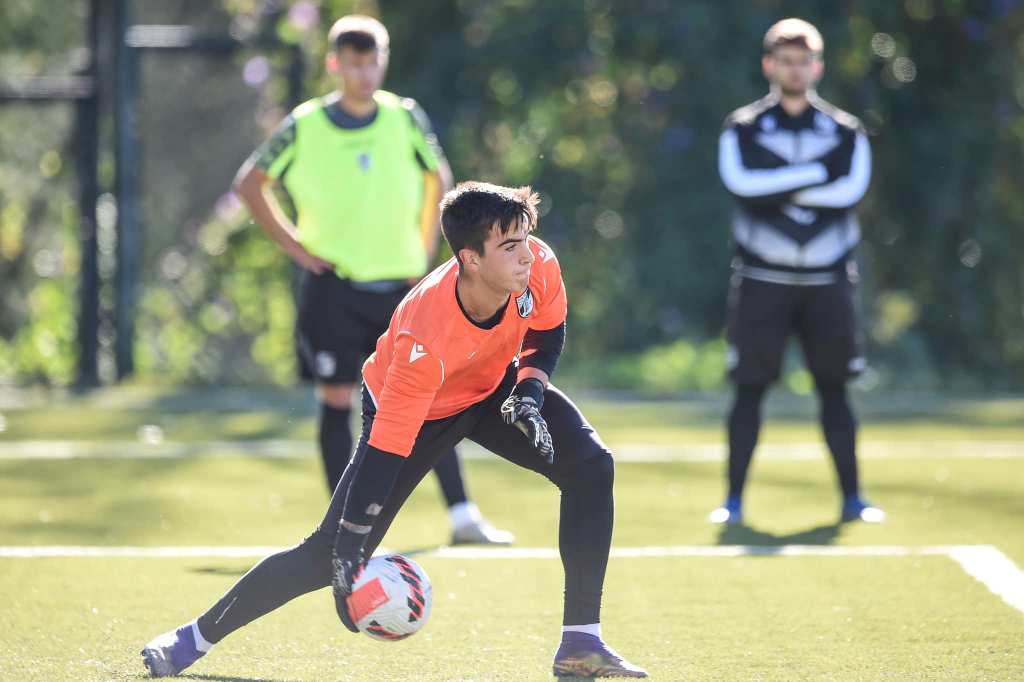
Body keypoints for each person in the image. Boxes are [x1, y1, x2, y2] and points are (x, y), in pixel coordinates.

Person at [141, 182, 647, 679]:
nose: (526, 257)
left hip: (491, 383)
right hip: (418, 407)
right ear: (469, 259)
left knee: (590, 467)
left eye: (525, 240)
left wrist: (531, 391)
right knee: (324, 555)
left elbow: (546, 329)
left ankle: (581, 644)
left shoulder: (537, 263)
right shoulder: (423, 334)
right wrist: (351, 550)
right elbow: (386, 450)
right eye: (509, 246)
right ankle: (191, 639)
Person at [233, 15, 511, 545]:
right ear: (335, 63)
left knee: (433, 397)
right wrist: (296, 247)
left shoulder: (404, 118)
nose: (364, 73)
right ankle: (345, 524)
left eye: (373, 60)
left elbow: (439, 177)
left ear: (384, 60)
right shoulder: (304, 124)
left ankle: (463, 516)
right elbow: (250, 183)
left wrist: (427, 248)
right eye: (354, 62)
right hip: (334, 286)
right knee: (337, 398)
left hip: (403, 289)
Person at [712, 18, 883, 525]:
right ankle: (733, 502)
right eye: (785, 59)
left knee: (835, 389)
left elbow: (848, 194)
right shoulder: (741, 127)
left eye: (803, 60)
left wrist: (777, 185)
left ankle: (853, 499)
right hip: (762, 281)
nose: (794, 68)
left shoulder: (847, 130)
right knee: (749, 390)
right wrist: (812, 175)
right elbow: (743, 187)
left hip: (828, 282)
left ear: (818, 66)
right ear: (769, 65)